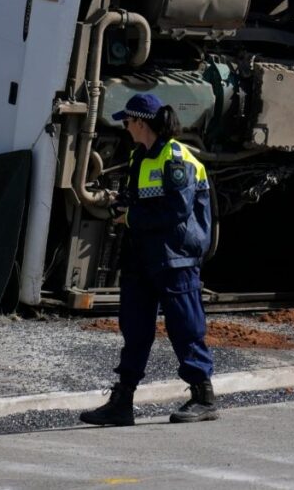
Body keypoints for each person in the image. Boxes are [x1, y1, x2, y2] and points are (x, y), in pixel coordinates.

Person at [79, 92, 217, 426]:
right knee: (135, 329)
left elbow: (177, 210)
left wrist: (131, 218)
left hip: (175, 258)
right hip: (143, 257)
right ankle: (122, 401)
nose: (125, 128)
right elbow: (140, 198)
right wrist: (122, 205)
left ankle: (203, 397)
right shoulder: (140, 157)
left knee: (185, 327)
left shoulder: (175, 158)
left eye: (127, 122)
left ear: (141, 122)